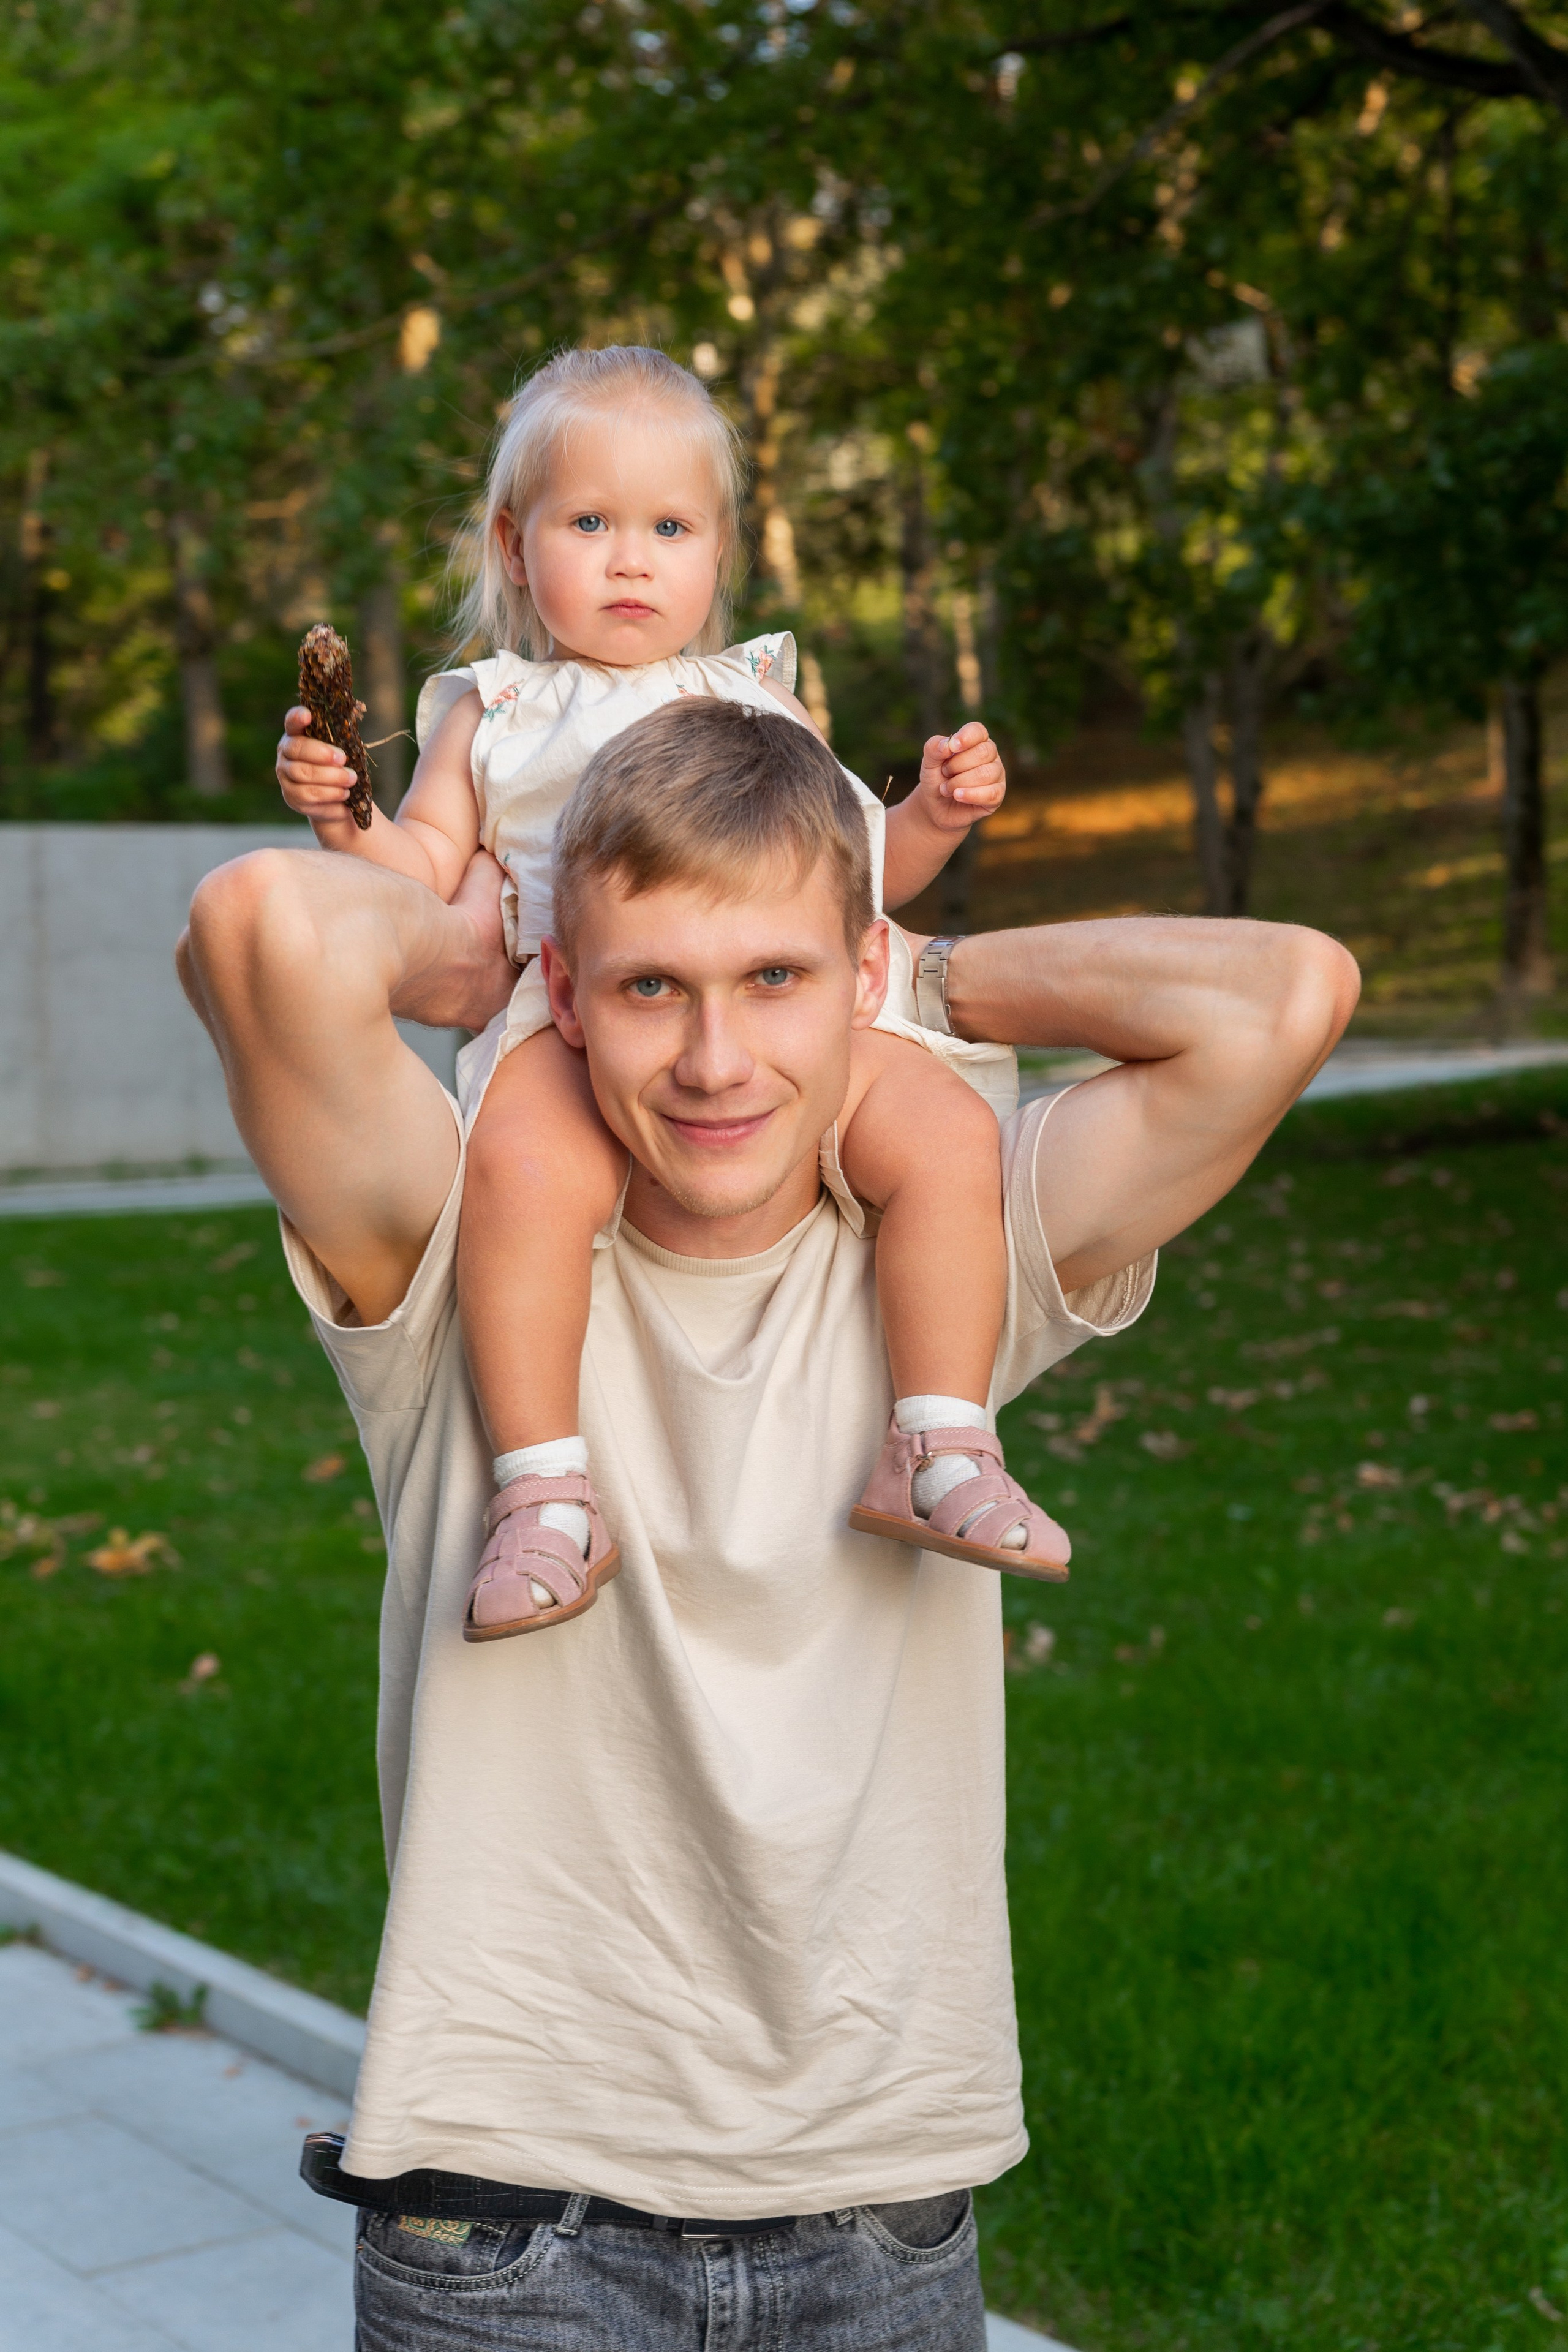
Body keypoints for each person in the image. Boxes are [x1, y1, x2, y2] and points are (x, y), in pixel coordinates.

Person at [178, 695, 1357, 2351]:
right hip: (513, 2232)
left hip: (878, 2220)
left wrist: (924, 971)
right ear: (574, 998)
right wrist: (475, 960)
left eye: (776, 983)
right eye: (653, 986)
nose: (719, 1062)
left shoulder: (952, 1264)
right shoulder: (459, 1258)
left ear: (859, 982)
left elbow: (1285, 997)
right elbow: (260, 925)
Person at [275, 343, 1071, 1648]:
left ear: (715, 548)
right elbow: (423, 872)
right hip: (571, 1014)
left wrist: (930, 814)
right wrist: (343, 816)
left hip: (769, 1014)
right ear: (516, 546)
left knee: (944, 1134)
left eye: (669, 526)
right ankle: (542, 1493)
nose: (631, 558)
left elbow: (855, 870)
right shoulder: (496, 710)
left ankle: (939, 1441)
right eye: (590, 523)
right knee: (522, 1174)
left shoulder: (755, 694)